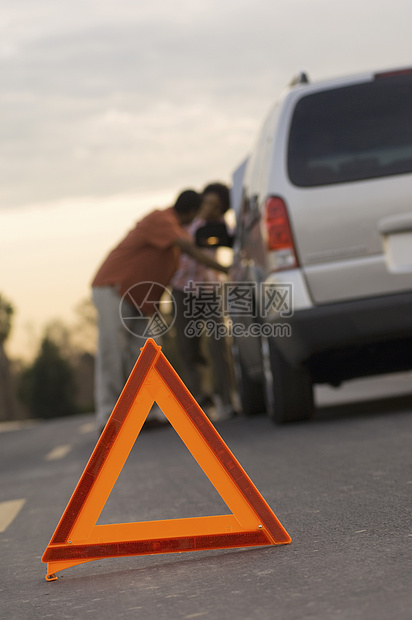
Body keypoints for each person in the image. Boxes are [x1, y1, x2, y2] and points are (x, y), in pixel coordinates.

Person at [91, 189, 228, 431]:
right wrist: (227, 270)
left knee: (148, 351)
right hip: (114, 288)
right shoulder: (162, 220)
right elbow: (191, 251)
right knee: (112, 349)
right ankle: (108, 415)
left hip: (141, 300)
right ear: (190, 212)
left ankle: (147, 413)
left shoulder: (176, 228)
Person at [171, 183, 236, 420]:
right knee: (189, 348)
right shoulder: (183, 225)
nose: (209, 209)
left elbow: (232, 246)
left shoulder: (220, 228)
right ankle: (200, 400)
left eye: (216, 206)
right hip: (182, 289)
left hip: (210, 289)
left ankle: (227, 400)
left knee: (219, 344)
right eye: (207, 203)